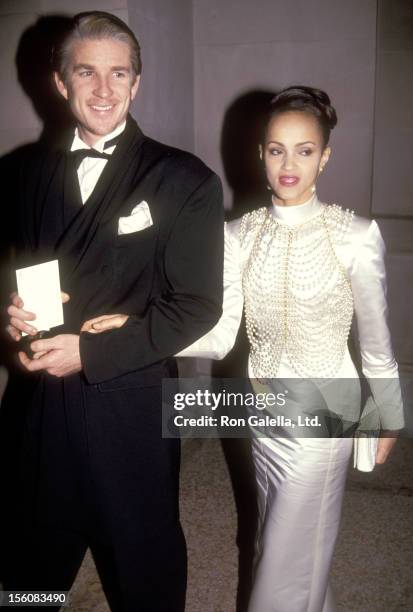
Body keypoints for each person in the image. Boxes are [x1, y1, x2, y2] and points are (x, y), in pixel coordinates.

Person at [85, 85, 405, 611]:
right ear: (260, 153)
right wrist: (136, 323)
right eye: (277, 149)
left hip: (324, 419)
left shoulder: (356, 236)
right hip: (259, 411)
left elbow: (376, 344)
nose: (289, 163)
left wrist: (389, 415)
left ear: (324, 157)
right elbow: (215, 334)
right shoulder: (238, 235)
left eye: (305, 150)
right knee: (282, 546)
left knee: (285, 558)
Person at [2, 11, 223, 612]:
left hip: (130, 402)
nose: (104, 89)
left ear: (136, 83)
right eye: (87, 72)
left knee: (142, 560)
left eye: (118, 73)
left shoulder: (184, 179)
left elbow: (198, 307)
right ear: (59, 82)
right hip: (38, 403)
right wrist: (8, 313)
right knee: (29, 560)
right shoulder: (18, 173)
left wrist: (91, 352)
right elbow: (8, 267)